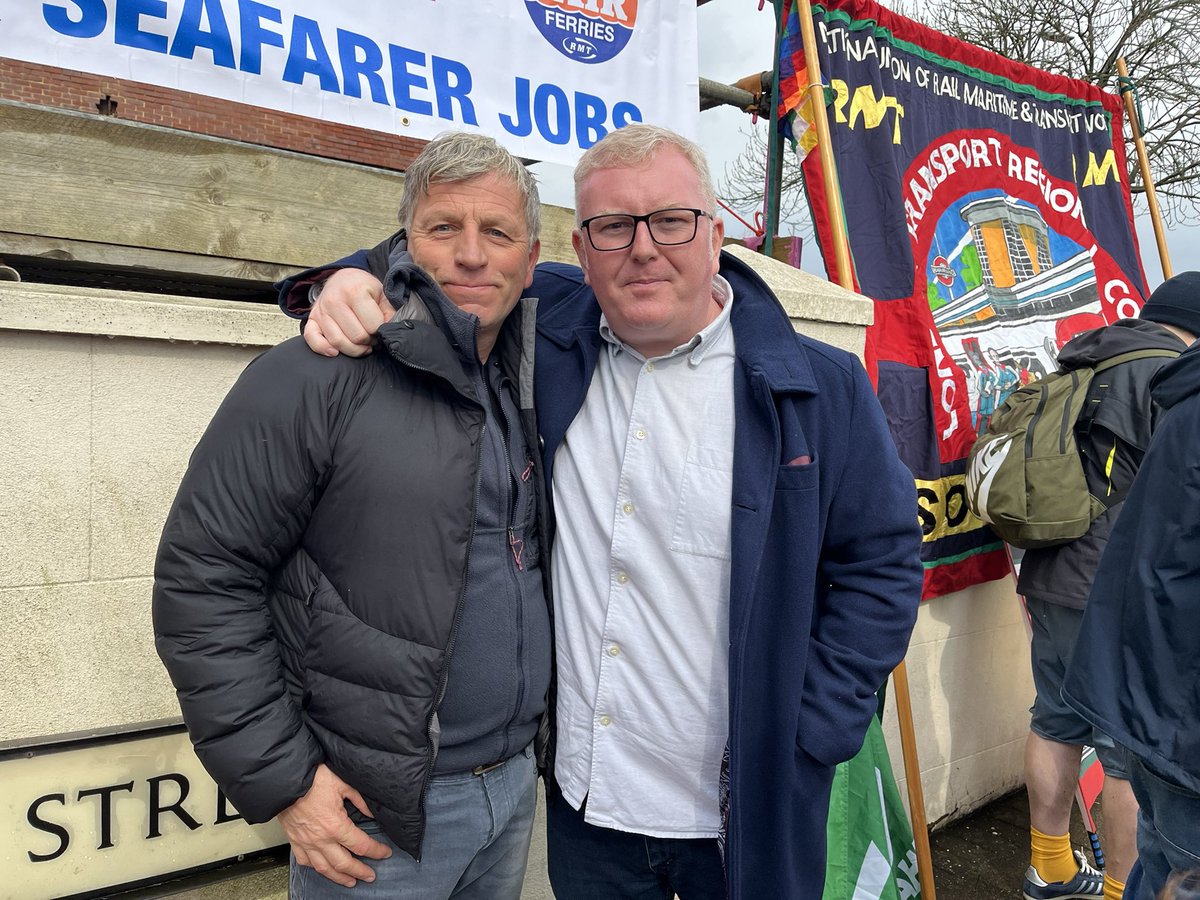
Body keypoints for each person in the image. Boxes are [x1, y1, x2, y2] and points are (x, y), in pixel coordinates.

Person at [279, 123, 924, 899]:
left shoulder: (820, 390)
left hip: (743, 812)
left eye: (671, 220)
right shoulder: (550, 332)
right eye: (613, 226)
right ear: (580, 252)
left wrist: (815, 731)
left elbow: (884, 568)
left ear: (717, 234)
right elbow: (455, 252)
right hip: (590, 811)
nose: (643, 248)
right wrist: (352, 277)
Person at [153, 132, 553, 899]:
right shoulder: (315, 373)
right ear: (405, 244)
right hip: (373, 820)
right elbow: (203, 579)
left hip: (510, 792)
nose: (471, 255)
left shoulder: (527, 372)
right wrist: (286, 782)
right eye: (444, 228)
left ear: (530, 260)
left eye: (497, 233)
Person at [1015, 275, 1198, 900]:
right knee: (1125, 752)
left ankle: (1051, 866)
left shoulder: (1087, 354)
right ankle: (1124, 887)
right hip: (1113, 588)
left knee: (1055, 719)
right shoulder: (1171, 377)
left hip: (1048, 569)